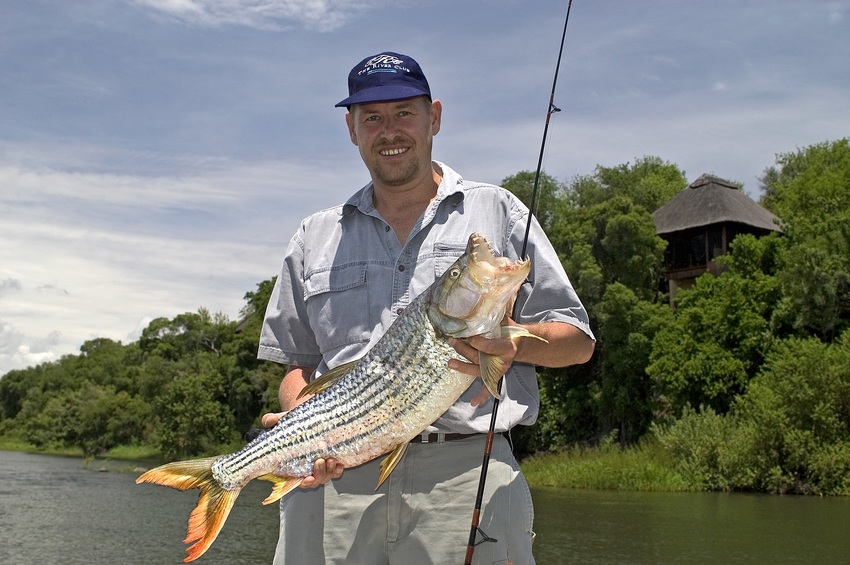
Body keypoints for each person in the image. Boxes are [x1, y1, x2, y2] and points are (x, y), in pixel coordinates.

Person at [257, 51, 595, 565]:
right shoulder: (313, 236)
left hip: (466, 475)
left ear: (434, 117)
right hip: (334, 478)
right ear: (351, 129)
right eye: (371, 118)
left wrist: (513, 343)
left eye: (404, 113)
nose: (389, 130)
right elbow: (298, 362)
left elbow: (578, 342)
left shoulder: (499, 210)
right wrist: (305, 423)